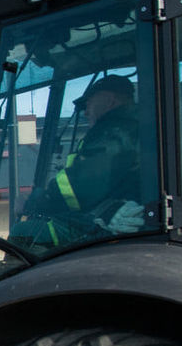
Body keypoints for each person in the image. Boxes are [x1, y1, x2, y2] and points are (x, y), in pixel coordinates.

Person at [19, 74, 144, 246]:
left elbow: (77, 188)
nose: (85, 112)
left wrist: (36, 200)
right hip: (110, 214)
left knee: (24, 233)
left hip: (106, 222)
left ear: (109, 100)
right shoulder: (129, 127)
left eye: (89, 104)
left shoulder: (115, 130)